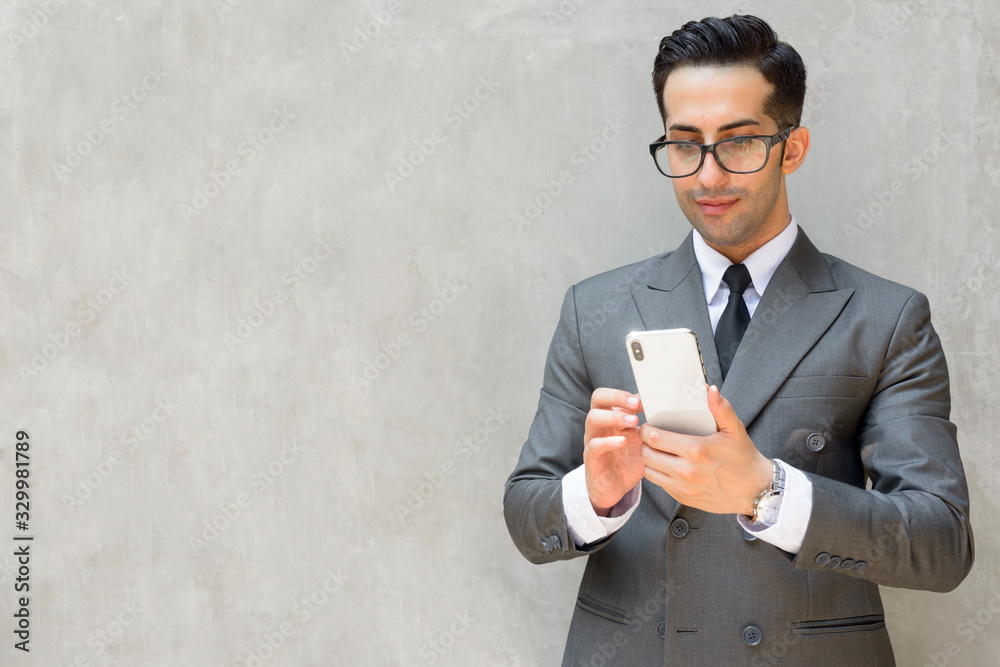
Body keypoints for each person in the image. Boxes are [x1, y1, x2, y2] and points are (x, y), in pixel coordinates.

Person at [503, 14, 974, 666]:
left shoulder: (887, 317)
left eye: (740, 141)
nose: (707, 176)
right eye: (684, 143)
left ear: (794, 146)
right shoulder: (596, 308)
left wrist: (765, 490)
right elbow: (528, 513)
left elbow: (939, 542)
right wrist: (596, 494)